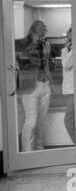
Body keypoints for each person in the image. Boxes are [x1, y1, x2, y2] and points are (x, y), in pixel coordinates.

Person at [15, 20, 53, 151]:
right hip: (29, 86)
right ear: (33, 30)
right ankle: (27, 151)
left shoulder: (46, 45)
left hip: (45, 85)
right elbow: (21, 61)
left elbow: (48, 64)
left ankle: (39, 147)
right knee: (31, 121)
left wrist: (50, 82)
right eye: (42, 30)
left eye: (45, 31)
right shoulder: (19, 43)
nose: (44, 33)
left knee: (42, 121)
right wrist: (34, 43)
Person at [61, 27, 76, 145]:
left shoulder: (74, 48)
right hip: (72, 89)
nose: (66, 33)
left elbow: (66, 64)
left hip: (74, 90)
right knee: (73, 119)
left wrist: (65, 48)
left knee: (68, 120)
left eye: (68, 31)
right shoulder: (73, 48)